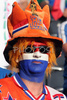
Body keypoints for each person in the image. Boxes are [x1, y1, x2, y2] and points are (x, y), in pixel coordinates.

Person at [0, 0, 66, 99]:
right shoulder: (2, 91)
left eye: (43, 49)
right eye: (29, 49)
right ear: (16, 56)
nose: (37, 54)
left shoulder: (59, 98)